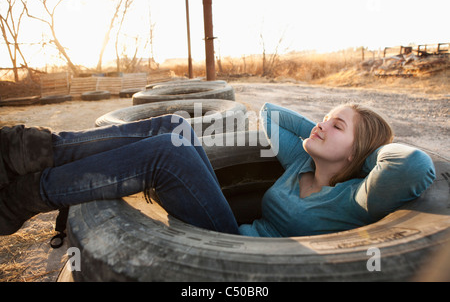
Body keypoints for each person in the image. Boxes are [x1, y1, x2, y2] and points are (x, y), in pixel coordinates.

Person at [0, 102, 436, 237]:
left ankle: (29, 194)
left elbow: (413, 164)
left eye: (335, 125)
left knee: (168, 155)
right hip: (231, 228)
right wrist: (325, 132)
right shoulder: (302, 161)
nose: (321, 123)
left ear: (356, 153)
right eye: (324, 115)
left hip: (239, 252)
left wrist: (362, 152)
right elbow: (269, 115)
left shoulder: (357, 198)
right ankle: (30, 149)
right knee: (175, 127)